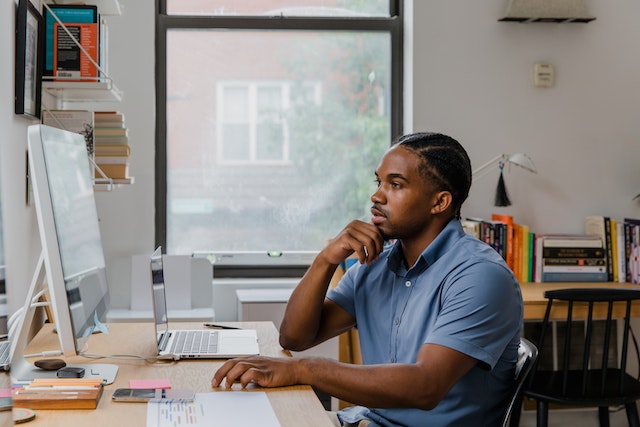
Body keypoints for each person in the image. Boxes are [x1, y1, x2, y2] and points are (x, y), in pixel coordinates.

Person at [212, 132, 524, 427]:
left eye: (396, 184)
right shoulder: (374, 267)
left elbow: (426, 387)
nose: (376, 195)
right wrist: (325, 260)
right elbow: (294, 338)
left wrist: (304, 369)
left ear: (439, 202)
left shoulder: (480, 276)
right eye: (379, 182)